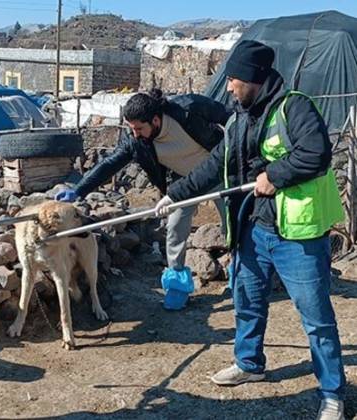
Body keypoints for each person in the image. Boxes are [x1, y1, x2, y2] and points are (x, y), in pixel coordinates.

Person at [155, 40, 346, 420]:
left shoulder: (296, 107)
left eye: (235, 79)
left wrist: (274, 175)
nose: (228, 87)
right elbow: (215, 166)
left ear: (255, 78)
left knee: (316, 317)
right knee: (247, 301)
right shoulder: (239, 117)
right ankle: (248, 363)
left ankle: (332, 393)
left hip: (298, 234)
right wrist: (174, 194)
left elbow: (316, 154)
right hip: (252, 227)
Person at [56, 89, 229, 310]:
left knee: (232, 225)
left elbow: (232, 118)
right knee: (175, 230)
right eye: (131, 129)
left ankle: (240, 277)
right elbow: (110, 164)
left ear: (155, 120)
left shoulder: (188, 108)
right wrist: (79, 190)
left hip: (218, 173)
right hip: (182, 184)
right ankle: (177, 287)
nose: (135, 134)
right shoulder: (137, 142)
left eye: (139, 128)